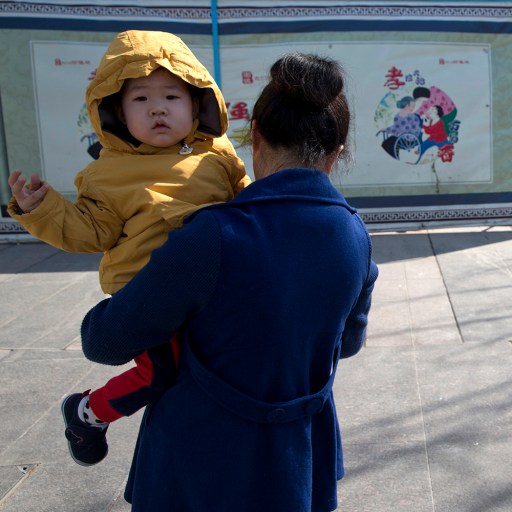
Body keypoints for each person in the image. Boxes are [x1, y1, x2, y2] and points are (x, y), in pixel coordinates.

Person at [79, 52, 378, 511]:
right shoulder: (356, 236)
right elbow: (349, 343)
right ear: (337, 153)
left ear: (254, 135)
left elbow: (104, 341)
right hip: (297, 459)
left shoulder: (212, 235)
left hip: (199, 461)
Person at [6, 30, 250, 466]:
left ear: (197, 103)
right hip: (147, 293)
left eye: (171, 96)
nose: (158, 108)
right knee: (159, 373)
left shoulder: (219, 156)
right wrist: (41, 208)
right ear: (116, 111)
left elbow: (247, 203)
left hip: (210, 288)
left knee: (214, 364)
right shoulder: (107, 174)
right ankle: (87, 412)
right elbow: (89, 232)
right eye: (140, 99)